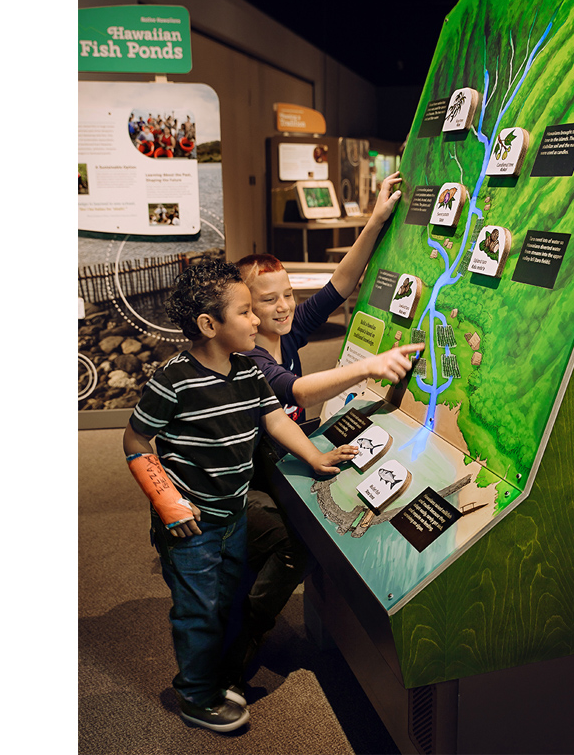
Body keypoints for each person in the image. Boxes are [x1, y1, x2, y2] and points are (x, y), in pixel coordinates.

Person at [122, 260, 357, 734]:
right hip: (189, 525)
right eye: (247, 312)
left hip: (232, 514)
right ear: (210, 325)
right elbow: (134, 441)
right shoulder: (173, 379)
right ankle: (196, 697)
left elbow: (275, 420)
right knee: (198, 609)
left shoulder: (248, 372)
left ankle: (209, 674)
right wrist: (166, 500)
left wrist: (315, 458)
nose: (257, 321)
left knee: (224, 599)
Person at [224, 172, 424, 684]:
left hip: (282, 461)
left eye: (288, 294)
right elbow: (296, 391)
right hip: (248, 481)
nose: (286, 306)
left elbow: (339, 285)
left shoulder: (283, 331)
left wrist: (376, 220)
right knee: (297, 540)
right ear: (247, 310)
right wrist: (367, 367)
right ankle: (242, 639)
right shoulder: (249, 354)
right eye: (269, 301)